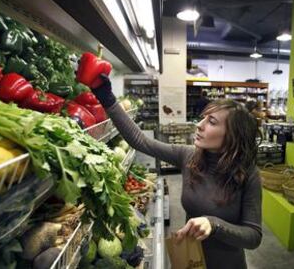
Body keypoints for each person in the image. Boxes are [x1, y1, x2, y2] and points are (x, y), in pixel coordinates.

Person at [92, 75, 262, 269]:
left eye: (212, 122)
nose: (199, 125)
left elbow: (253, 236)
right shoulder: (190, 156)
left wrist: (214, 225)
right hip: (190, 259)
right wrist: (106, 97)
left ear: (232, 135)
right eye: (203, 118)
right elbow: (140, 140)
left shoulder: (248, 174)